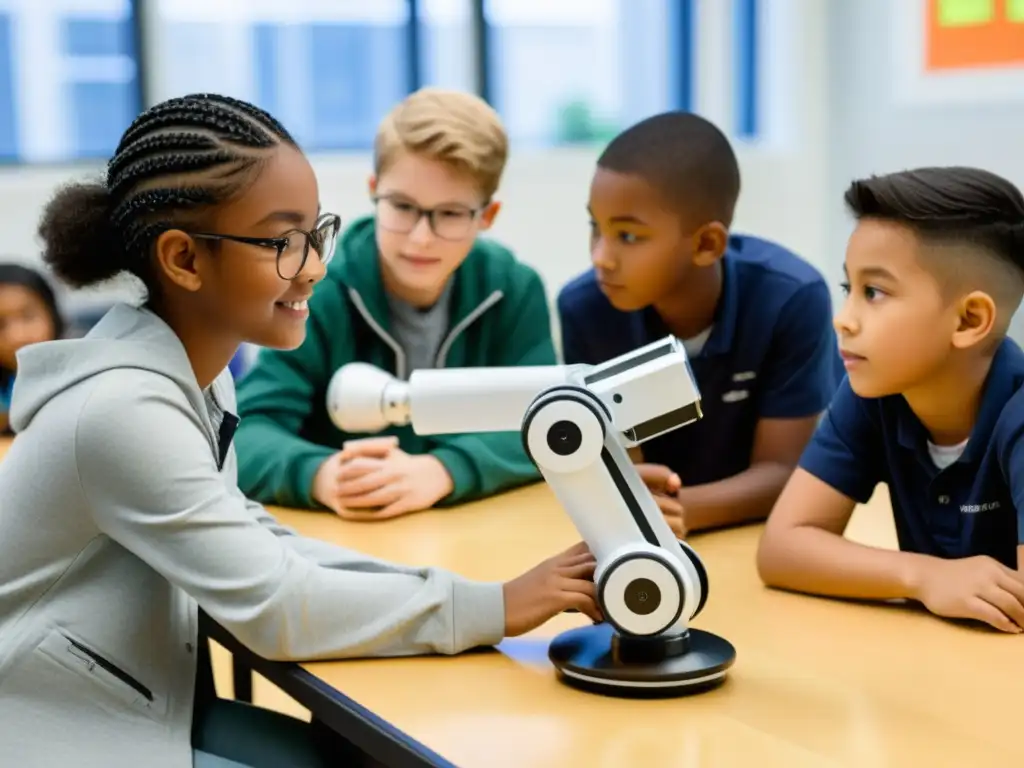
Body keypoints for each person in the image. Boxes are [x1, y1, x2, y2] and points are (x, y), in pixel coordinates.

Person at [0, 93, 600, 768]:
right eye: (283, 242)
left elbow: (256, 540)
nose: (314, 264)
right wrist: (492, 606)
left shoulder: (194, 371)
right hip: (47, 731)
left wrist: (464, 594)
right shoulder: (122, 414)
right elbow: (275, 604)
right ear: (184, 261)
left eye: (317, 233)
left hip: (126, 700)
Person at [233, 87, 556, 519]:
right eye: (402, 206)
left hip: (473, 533)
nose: (421, 237)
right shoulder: (316, 291)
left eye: (451, 214)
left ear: (488, 216)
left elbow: (550, 423)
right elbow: (246, 433)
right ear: (374, 190)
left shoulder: (514, 290)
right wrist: (321, 475)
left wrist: (445, 470)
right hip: (345, 545)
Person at [757, 166, 1024, 635]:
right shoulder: (874, 393)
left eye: (874, 292)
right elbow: (781, 548)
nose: (843, 320)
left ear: (968, 321)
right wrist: (924, 575)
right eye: (849, 289)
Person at [557, 111, 839, 538]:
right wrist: (641, 507)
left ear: (707, 244)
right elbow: (618, 474)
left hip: (758, 536)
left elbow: (785, 472)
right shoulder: (585, 309)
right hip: (651, 543)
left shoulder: (793, 299)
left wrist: (680, 509)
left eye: (629, 236)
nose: (600, 256)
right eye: (595, 227)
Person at [0, 263, 65, 434]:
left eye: (28, 317)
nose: (17, 336)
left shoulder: (77, 377)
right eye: (0, 325)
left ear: (53, 314)